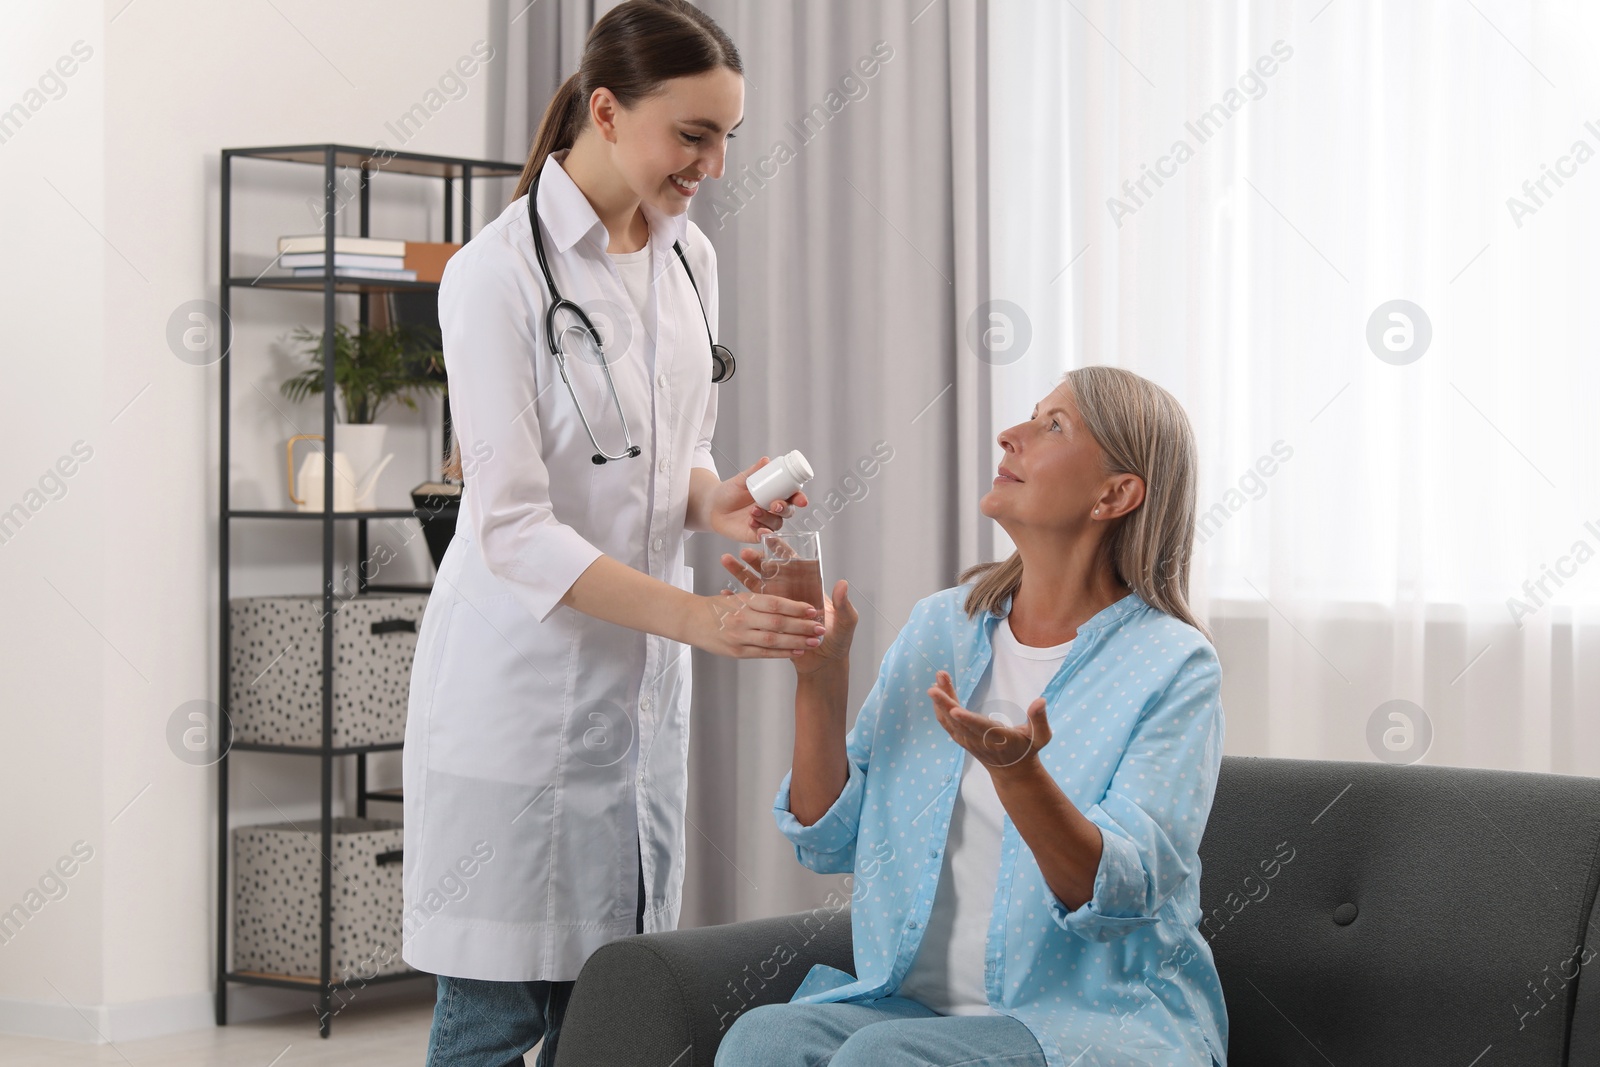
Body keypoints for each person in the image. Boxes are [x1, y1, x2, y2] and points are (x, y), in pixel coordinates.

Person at [400, 4, 825, 1065]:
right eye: (694, 134)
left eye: (726, 134)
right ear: (605, 109)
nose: (715, 162)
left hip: (636, 714)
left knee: (614, 1013)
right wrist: (699, 616)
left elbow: (656, 462)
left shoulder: (690, 263)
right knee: (497, 1019)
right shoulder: (495, 275)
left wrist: (713, 500)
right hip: (520, 696)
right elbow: (510, 524)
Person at [716, 366, 1229, 1067]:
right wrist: (819, 674)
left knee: (881, 1060)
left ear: (1116, 493)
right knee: (763, 1040)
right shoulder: (943, 625)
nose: (1009, 435)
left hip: (1093, 1021)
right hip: (911, 1006)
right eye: (1030, 414)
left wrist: (1018, 775)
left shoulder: (1173, 664)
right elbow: (829, 841)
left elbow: (1120, 894)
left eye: (1053, 426)